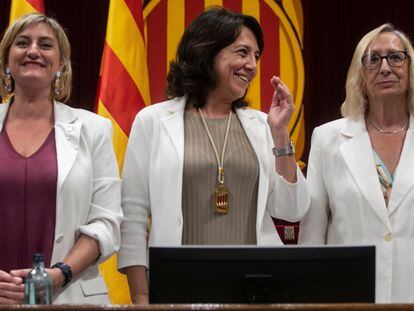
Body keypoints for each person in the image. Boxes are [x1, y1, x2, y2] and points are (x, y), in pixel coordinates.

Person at [118, 7, 309, 304]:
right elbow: (132, 218)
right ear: (206, 52)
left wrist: (281, 134)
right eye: (242, 52)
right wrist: (142, 297)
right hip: (176, 291)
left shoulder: (263, 125)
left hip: (255, 294)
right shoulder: (152, 121)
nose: (252, 65)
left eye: (256, 56)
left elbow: (292, 210)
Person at [0, 13, 122, 304]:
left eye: (45, 45)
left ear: (61, 64)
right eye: (22, 43)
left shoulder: (94, 129)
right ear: (7, 61)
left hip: (69, 295)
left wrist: (60, 274)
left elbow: (106, 221)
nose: (33, 51)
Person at [299, 23, 414, 302]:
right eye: (373, 59)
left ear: (410, 70)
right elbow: (312, 237)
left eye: (395, 57)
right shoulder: (327, 139)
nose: (385, 68)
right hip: (347, 296)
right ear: (360, 75)